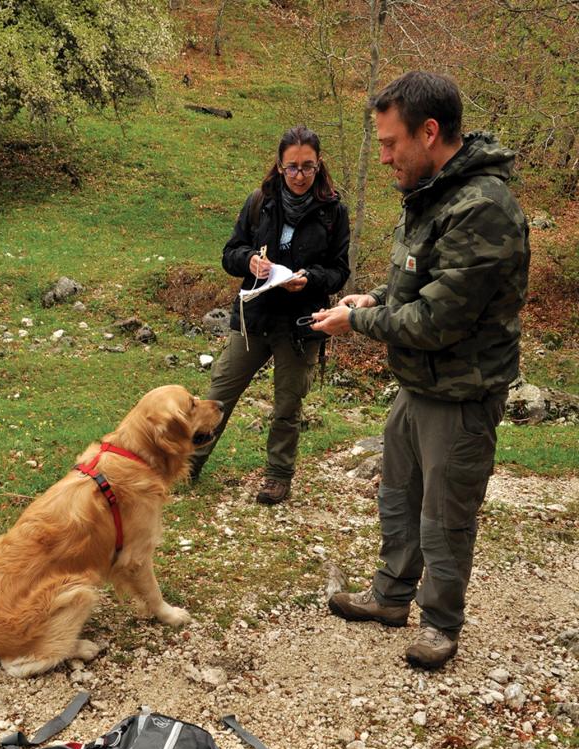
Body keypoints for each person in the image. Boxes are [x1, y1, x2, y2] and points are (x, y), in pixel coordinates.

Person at [312, 71, 529, 669]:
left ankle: (440, 624)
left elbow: (438, 318)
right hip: (419, 384)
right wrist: (375, 299)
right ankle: (390, 596)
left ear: (429, 132)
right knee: (400, 496)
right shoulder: (434, 194)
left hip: (462, 391)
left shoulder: (483, 207)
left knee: (445, 513)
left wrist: (357, 325)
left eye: (390, 144)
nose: (383, 157)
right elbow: (420, 281)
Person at [190, 125, 350, 504]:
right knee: (218, 395)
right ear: (279, 165)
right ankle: (188, 466)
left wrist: (310, 279)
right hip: (254, 318)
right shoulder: (260, 201)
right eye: (292, 167)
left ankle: (278, 476)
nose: (299, 175)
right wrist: (250, 260)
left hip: (301, 324)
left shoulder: (333, 212)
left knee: (287, 405)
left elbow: (340, 271)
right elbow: (230, 254)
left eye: (307, 167)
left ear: (319, 164)